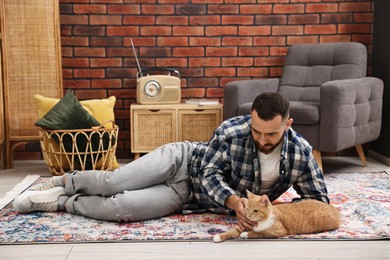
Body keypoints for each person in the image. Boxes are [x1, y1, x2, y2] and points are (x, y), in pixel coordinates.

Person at [13, 92, 329, 231]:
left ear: (287, 125)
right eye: (256, 130)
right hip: (180, 162)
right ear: (250, 120)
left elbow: (319, 202)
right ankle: (62, 181)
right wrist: (235, 202)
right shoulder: (233, 131)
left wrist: (276, 216)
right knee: (114, 182)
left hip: (186, 198)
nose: (261, 139)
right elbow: (208, 172)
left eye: (270, 134)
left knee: (121, 208)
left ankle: (63, 202)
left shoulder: (301, 153)